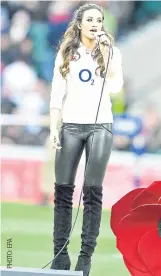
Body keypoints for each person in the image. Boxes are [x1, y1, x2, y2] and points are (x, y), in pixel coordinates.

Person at [49, 3, 123, 276]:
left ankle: (85, 257)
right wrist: (54, 127)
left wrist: (106, 55)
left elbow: (115, 87)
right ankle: (59, 255)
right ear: (79, 23)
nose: (95, 24)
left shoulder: (111, 52)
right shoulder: (68, 52)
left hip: (100, 126)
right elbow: (57, 92)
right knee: (63, 191)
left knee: (92, 192)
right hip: (70, 125)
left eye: (99, 20)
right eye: (90, 19)